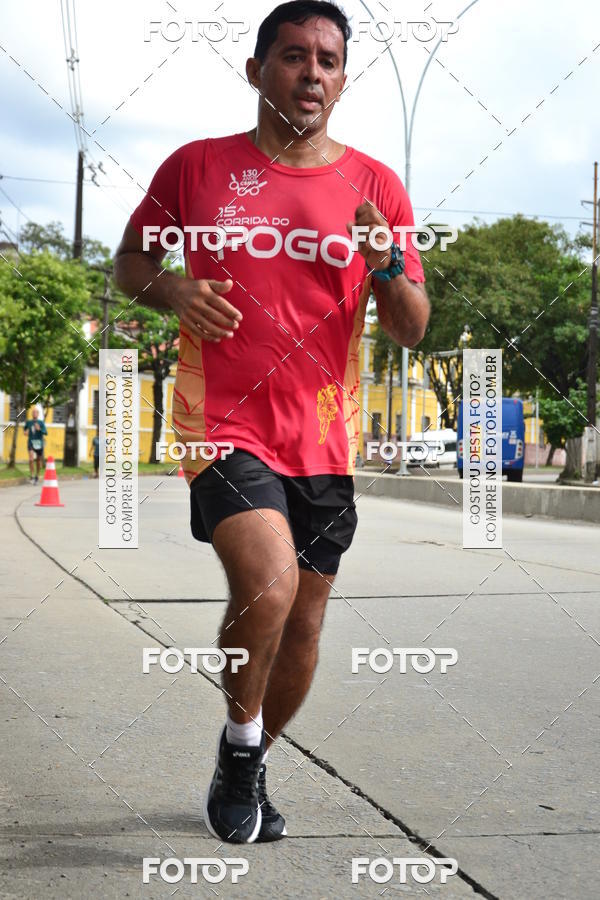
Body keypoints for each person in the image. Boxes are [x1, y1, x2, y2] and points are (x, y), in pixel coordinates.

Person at [114, 0, 429, 844]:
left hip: (323, 434)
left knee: (303, 626)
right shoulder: (197, 167)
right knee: (270, 586)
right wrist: (174, 288)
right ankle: (245, 741)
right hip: (219, 419)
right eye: (294, 56)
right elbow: (131, 261)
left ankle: (244, 755)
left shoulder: (376, 187)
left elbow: (410, 327)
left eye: (328, 60)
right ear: (257, 70)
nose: (312, 73)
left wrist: (385, 261)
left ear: (343, 80)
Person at [23, 408, 47, 484]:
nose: (34, 414)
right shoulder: (29, 422)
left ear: (38, 414)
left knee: (38, 460)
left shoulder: (41, 422)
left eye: (36, 413)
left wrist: (39, 429)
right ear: (32, 414)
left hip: (38, 442)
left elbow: (45, 432)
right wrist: (25, 432)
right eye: (33, 412)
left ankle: (37, 475)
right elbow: (25, 429)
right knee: (31, 459)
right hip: (31, 442)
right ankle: (32, 475)